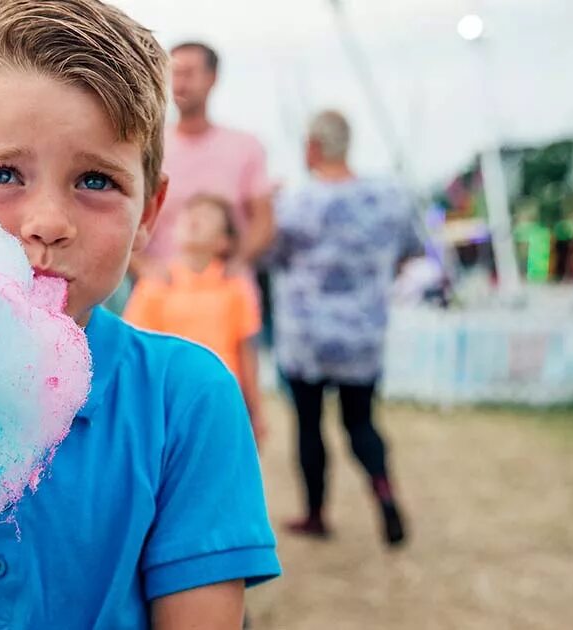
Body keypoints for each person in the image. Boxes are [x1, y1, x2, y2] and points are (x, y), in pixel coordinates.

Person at [0, 1, 279, 627]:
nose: (48, 222)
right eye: (2, 173)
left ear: (149, 213)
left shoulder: (184, 400)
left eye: (96, 181)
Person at [265, 110, 416, 547]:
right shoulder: (390, 198)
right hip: (363, 334)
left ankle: (315, 514)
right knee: (361, 422)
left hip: (306, 337)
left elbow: (269, 258)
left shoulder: (294, 203)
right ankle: (385, 494)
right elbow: (407, 252)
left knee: (309, 425)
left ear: (312, 147)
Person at [123, 193, 268, 447]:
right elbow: (136, 354)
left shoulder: (235, 287)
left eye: (207, 216)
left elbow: (247, 351)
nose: (194, 218)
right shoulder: (155, 284)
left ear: (224, 241)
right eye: (189, 213)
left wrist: (255, 411)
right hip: (166, 406)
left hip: (221, 404)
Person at [136, 41, 275, 276]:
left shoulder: (245, 147)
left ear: (212, 78)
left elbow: (264, 221)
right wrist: (144, 267)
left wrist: (239, 262)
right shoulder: (148, 146)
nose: (180, 84)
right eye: (175, 74)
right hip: (162, 296)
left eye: (189, 74)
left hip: (225, 295)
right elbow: (123, 215)